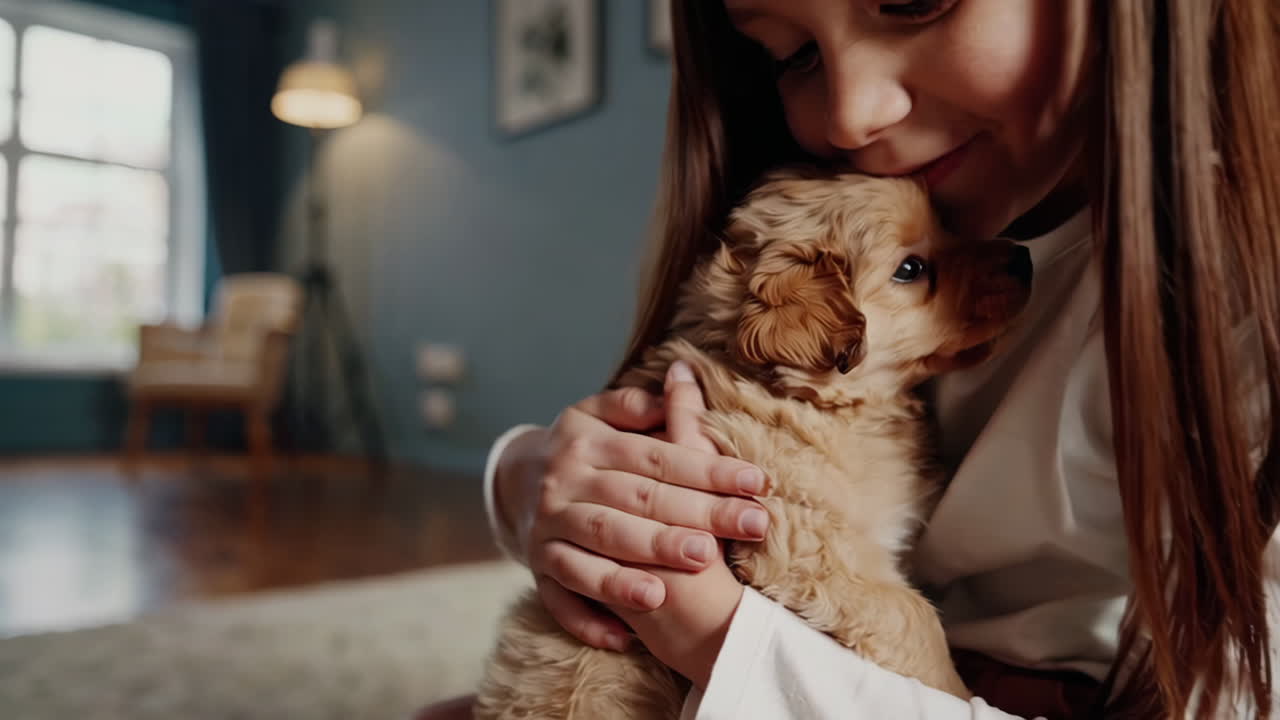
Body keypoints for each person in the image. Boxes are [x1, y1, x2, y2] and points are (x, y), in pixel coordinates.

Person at [420, 0, 1280, 717]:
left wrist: (723, 638)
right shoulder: (845, 236)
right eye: (792, 55)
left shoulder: (1244, 286)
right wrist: (528, 477)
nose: (849, 113)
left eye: (911, 0)